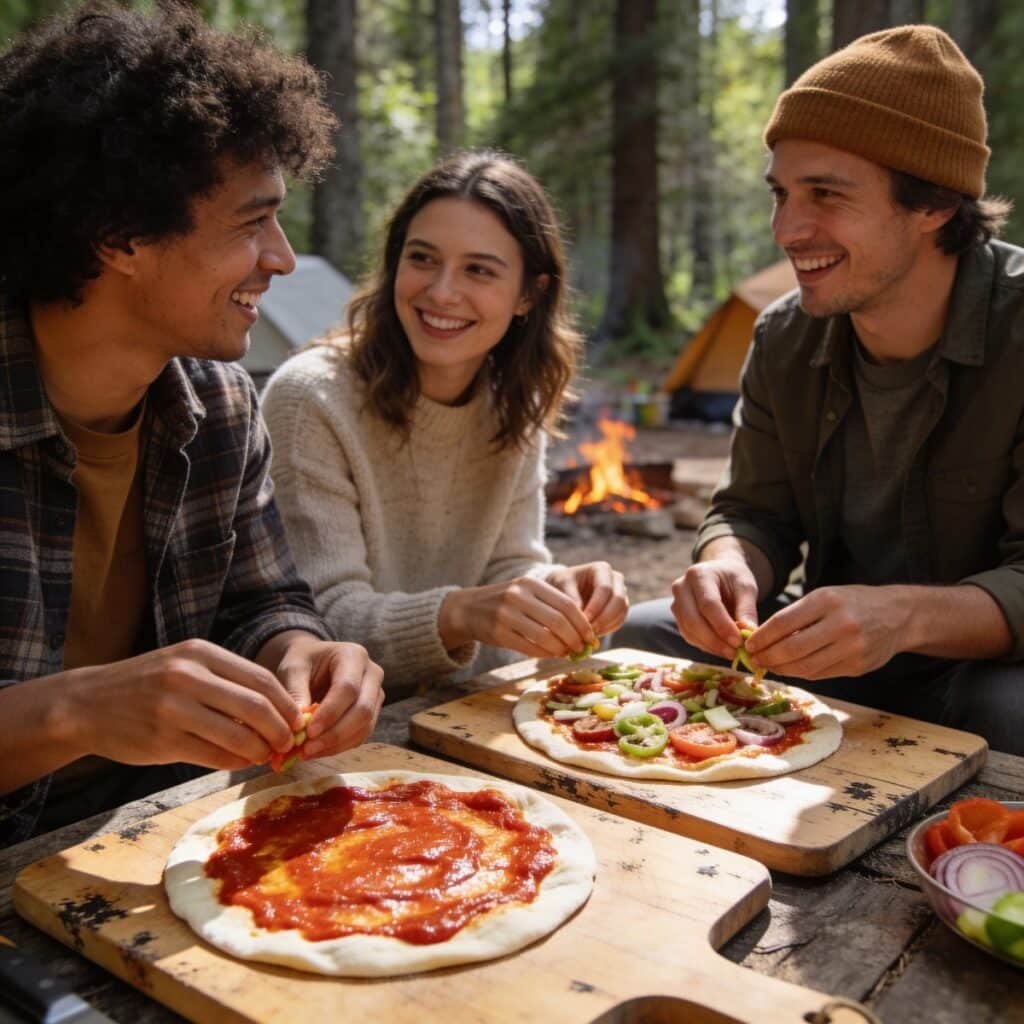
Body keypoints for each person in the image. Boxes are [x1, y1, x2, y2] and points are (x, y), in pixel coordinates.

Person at [0, 1, 385, 848]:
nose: (282, 258)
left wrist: (300, 653)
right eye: (252, 221)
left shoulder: (221, 405)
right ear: (119, 236)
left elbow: (261, 599)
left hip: (177, 829)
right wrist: (77, 711)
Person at [616, 25, 1024, 754]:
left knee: (1010, 708)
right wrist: (727, 565)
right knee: (643, 635)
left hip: (980, 669)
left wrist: (903, 618)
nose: (786, 229)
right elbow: (752, 511)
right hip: (829, 662)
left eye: (825, 194)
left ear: (934, 204)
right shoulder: (785, 335)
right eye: (781, 194)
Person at [261, 151, 628, 697]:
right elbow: (319, 623)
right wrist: (458, 614)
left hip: (470, 709)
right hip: (344, 723)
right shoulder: (310, 398)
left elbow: (511, 565)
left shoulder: (513, 400)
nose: (440, 292)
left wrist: (559, 591)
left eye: (479, 269)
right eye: (423, 259)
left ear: (530, 294)